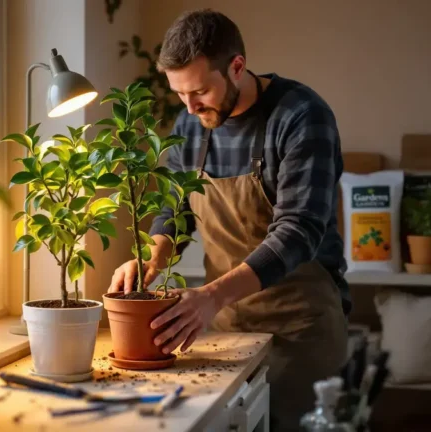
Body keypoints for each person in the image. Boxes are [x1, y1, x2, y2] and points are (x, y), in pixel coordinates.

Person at [107, 8, 350, 431]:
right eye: (179, 94)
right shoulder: (191, 121)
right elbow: (174, 208)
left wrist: (212, 295)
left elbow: (298, 231)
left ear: (237, 67)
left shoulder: (301, 116)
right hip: (226, 329)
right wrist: (151, 260)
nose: (189, 105)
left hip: (301, 329)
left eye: (199, 91)